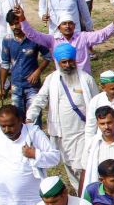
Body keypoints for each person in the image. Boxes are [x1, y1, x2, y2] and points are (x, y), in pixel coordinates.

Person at [26, 44, 98, 189]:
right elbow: (40, 99)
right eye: (63, 62)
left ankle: (85, 195)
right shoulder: (51, 80)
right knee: (70, 167)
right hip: (61, 134)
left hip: (82, 132)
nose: (68, 65)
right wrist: (30, 117)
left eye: (70, 61)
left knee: (81, 167)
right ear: (58, 63)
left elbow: (97, 102)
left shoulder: (86, 79)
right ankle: (81, 193)